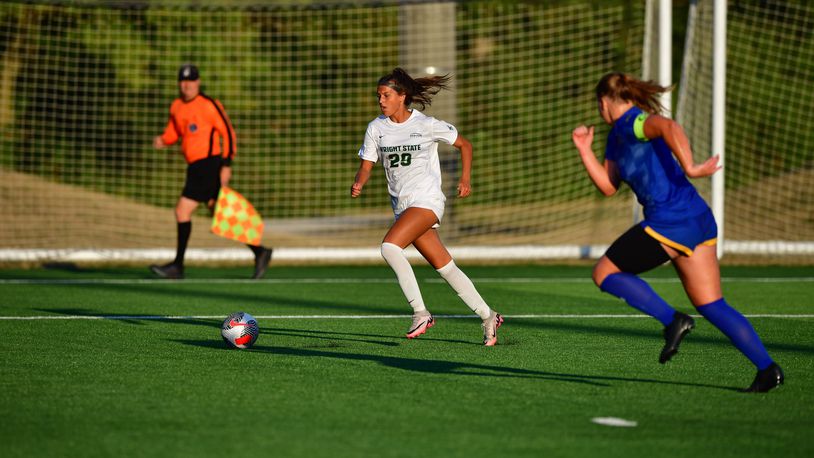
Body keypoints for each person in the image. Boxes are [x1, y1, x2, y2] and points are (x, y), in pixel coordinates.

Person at [571, 72, 783, 392]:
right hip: (696, 219)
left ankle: (672, 320)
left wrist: (692, 168)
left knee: (604, 273)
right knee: (711, 303)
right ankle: (768, 369)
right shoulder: (616, 138)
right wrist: (584, 149)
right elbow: (608, 186)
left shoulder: (635, 122)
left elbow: (668, 126)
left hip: (670, 222)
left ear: (604, 102)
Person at [351, 68, 503, 346]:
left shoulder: (426, 124)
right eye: (378, 96)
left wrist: (465, 178)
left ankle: (421, 312)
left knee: (389, 247)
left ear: (402, 97)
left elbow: (465, 145)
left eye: (386, 95)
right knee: (445, 267)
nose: (381, 101)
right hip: (403, 206)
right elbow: (366, 165)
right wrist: (358, 182)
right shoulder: (376, 128)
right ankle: (488, 315)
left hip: (427, 201)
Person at [150, 64, 272, 280]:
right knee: (218, 210)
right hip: (194, 167)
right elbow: (173, 132)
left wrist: (226, 164)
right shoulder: (176, 106)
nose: (186, 85)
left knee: (183, 211)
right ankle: (260, 251)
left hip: (209, 164)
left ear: (198, 82)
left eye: (191, 80)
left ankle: (178, 266)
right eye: (183, 81)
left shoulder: (209, 105)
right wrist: (163, 140)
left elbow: (229, 133)